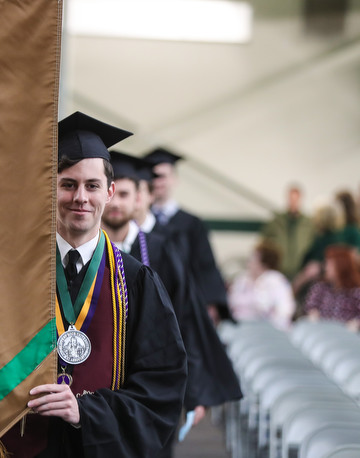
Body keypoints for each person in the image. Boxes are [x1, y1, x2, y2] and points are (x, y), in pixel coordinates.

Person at [0, 112, 187, 457]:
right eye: (67, 184)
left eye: (92, 186)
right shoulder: (12, 277)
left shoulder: (136, 282)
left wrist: (86, 411)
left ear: (110, 192)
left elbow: (160, 386)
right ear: (48, 187)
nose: (80, 197)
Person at [101, 152, 242, 444]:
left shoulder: (161, 251)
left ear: (140, 197)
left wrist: (194, 392)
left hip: (149, 382)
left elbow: (185, 321)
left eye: (125, 194)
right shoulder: (85, 252)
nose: (115, 204)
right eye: (111, 194)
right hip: (99, 381)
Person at [143, 147, 230, 324]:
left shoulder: (192, 223)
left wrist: (211, 303)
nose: (158, 181)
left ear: (175, 179)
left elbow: (206, 266)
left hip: (187, 308)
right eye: (154, 176)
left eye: (163, 176)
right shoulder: (140, 223)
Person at [304, 245, 360, 330]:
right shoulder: (320, 288)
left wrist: (355, 324)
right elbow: (310, 307)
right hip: (321, 333)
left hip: (348, 337)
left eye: (329, 264)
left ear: (341, 266)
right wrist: (313, 316)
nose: (326, 268)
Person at [228, 240, 295, 330]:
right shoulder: (242, 280)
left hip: (267, 330)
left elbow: (285, 310)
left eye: (254, 258)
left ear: (265, 264)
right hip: (240, 328)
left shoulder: (276, 281)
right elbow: (231, 304)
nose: (249, 262)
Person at [261, 185, 316, 279]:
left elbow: (313, 245)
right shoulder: (277, 222)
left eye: (295, 199)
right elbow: (264, 241)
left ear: (300, 200)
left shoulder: (308, 224)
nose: (293, 203)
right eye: (291, 199)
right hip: (280, 269)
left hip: (300, 270)